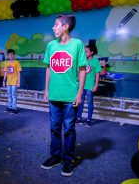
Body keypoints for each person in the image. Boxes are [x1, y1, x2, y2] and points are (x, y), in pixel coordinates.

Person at [41, 14, 87, 177]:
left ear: (65, 26)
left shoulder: (77, 44)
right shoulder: (51, 45)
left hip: (70, 97)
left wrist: (80, 93)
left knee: (68, 129)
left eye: (56, 24)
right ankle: (55, 157)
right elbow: (48, 68)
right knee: (54, 128)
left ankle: (68, 160)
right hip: (54, 95)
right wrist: (46, 90)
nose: (53, 27)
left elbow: (82, 70)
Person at [77, 44, 102, 127]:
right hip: (81, 86)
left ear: (92, 52)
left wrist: (96, 85)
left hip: (90, 86)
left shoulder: (95, 61)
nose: (84, 53)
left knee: (90, 103)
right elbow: (79, 72)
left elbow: (98, 73)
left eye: (86, 51)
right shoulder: (82, 60)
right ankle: (79, 118)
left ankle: (89, 119)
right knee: (80, 102)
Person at [3, 49, 22, 114]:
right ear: (8, 55)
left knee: (14, 95)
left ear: (14, 55)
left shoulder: (17, 62)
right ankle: (9, 107)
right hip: (8, 82)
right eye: (9, 54)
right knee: (9, 95)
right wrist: (4, 81)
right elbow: (5, 72)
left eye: (12, 54)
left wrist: (18, 82)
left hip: (14, 82)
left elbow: (19, 73)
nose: (10, 56)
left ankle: (14, 108)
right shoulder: (7, 63)